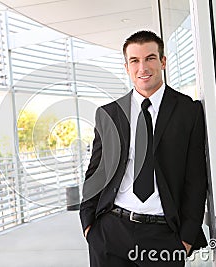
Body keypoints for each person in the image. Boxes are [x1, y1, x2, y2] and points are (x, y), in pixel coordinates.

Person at [79, 30, 208, 266]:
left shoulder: (189, 111)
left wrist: (186, 239)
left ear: (163, 61)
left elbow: (196, 178)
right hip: (111, 232)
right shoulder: (109, 114)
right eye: (134, 61)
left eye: (149, 58)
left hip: (164, 237)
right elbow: (96, 172)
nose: (143, 68)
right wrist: (89, 226)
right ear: (127, 67)